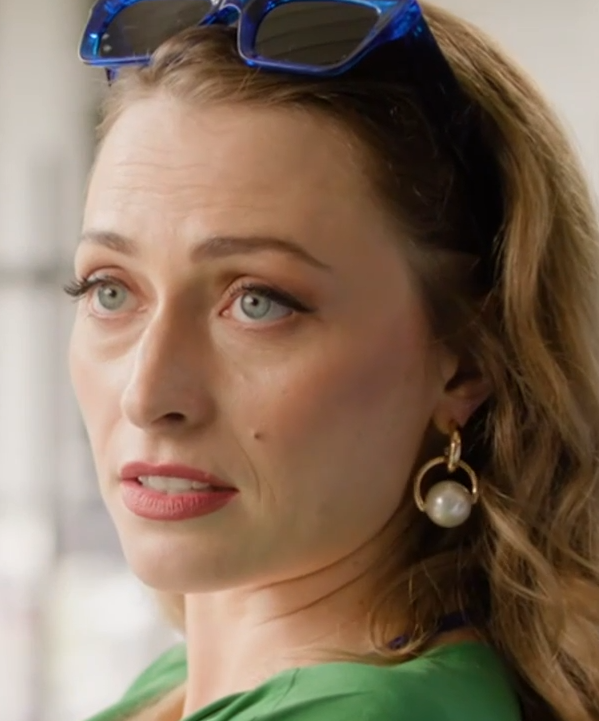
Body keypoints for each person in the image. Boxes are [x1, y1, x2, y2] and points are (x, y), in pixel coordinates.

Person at [67, 1, 599, 720]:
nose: (146, 392)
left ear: (469, 360)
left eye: (259, 302)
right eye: (109, 289)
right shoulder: (186, 679)